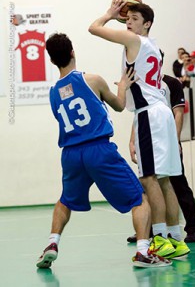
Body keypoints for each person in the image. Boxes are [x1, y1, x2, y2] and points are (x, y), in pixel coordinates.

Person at [36, 33, 171, 269]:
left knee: (65, 200)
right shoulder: (92, 80)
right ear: (72, 52)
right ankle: (142, 251)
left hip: (70, 154)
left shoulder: (53, 92)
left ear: (52, 61)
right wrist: (124, 85)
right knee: (140, 198)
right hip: (98, 149)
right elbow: (119, 106)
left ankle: (51, 243)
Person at [89, 0, 190, 259]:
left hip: (150, 115)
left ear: (147, 24)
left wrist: (110, 14)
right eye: (127, 18)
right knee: (165, 179)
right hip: (162, 113)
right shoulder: (152, 47)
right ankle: (176, 238)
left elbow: (93, 28)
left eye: (134, 19)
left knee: (148, 179)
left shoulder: (134, 41)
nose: (128, 23)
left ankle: (158, 239)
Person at [127, 74, 195, 243]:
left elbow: (178, 113)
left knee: (177, 183)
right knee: (149, 185)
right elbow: (138, 114)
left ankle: (192, 228)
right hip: (148, 137)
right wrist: (132, 140)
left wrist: (175, 140)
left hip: (166, 138)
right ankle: (149, 231)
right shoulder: (141, 83)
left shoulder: (171, 83)